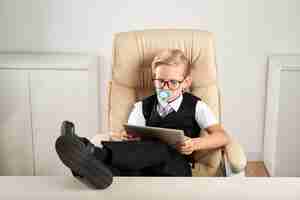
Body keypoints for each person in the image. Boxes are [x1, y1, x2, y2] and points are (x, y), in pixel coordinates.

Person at [55, 49, 230, 189]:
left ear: (186, 82)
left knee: (162, 148)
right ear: (153, 79)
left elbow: (222, 137)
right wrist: (125, 136)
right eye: (160, 81)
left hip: (176, 167)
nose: (165, 87)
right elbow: (131, 143)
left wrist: (195, 144)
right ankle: (88, 167)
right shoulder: (142, 106)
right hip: (146, 166)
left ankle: (91, 151)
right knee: (128, 167)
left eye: (173, 82)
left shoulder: (196, 106)